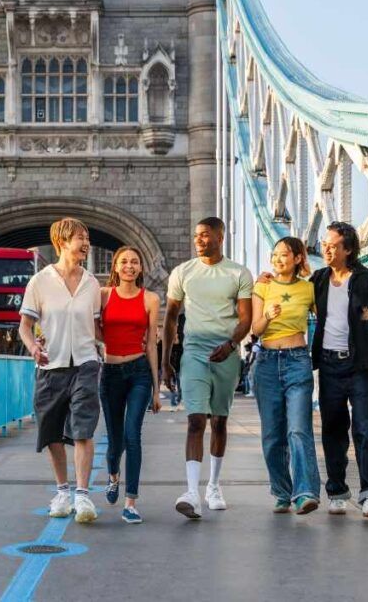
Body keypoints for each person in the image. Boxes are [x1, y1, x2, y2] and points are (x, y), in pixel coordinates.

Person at [257, 222, 368, 518]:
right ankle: (336, 491)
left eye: (332, 245)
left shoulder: (366, 281)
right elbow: (292, 288)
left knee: (363, 428)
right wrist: (271, 278)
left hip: (359, 365)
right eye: (325, 244)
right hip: (329, 363)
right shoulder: (317, 280)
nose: (326, 249)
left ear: (348, 249)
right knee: (333, 431)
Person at [162, 217, 253, 519]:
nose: (198, 240)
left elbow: (245, 319)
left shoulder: (238, 273)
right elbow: (172, 317)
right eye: (196, 236)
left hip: (226, 349)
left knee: (220, 422)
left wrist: (229, 345)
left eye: (205, 235)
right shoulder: (182, 272)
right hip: (195, 350)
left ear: (220, 237)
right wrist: (166, 362)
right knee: (196, 420)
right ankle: (191, 491)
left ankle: (213, 485)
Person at [18, 218, 103, 524]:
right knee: (52, 430)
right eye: (81, 237)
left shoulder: (91, 283)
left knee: (83, 428)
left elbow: (96, 327)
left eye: (88, 237)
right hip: (50, 365)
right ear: (63, 242)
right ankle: (62, 491)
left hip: (85, 363)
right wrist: (33, 348)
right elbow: (24, 327)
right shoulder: (39, 282)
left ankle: (82, 495)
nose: (86, 243)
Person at [249, 237, 321, 515]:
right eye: (275, 255)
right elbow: (256, 329)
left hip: (297, 360)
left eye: (285, 255)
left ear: (299, 258)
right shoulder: (263, 285)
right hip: (267, 363)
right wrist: (267, 315)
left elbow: (331, 316)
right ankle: (281, 491)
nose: (279, 260)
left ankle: (304, 493)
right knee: (272, 435)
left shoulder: (309, 289)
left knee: (299, 429)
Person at [99, 246, 162, 524]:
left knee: (132, 435)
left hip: (138, 372)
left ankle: (131, 502)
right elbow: (87, 322)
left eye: (134, 262)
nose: (129, 266)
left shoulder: (150, 298)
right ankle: (113, 476)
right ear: (115, 266)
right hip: (110, 371)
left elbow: (151, 344)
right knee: (115, 441)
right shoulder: (103, 295)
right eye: (124, 261)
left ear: (140, 268)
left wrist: (157, 389)